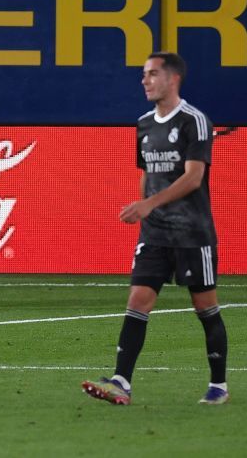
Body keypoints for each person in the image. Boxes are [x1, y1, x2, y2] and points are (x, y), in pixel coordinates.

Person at [82, 52, 229, 405]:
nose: (144, 81)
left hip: (192, 233)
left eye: (151, 74)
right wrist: (145, 207)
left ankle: (219, 385)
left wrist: (149, 203)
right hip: (155, 234)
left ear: (172, 79)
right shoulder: (144, 124)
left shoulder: (194, 121)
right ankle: (122, 382)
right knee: (138, 301)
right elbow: (147, 174)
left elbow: (194, 178)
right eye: (143, 75)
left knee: (205, 307)